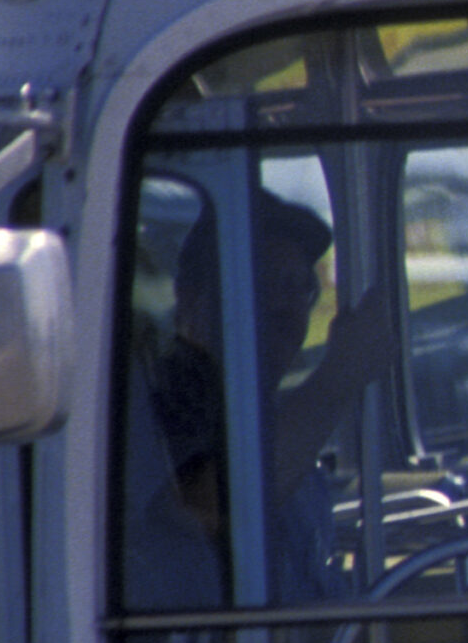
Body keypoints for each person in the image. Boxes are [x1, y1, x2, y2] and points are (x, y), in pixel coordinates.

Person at [149, 190, 391, 599]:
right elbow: (222, 505)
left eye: (300, 287)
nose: (287, 304)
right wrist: (341, 375)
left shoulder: (261, 410)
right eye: (262, 281)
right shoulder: (168, 394)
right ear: (190, 296)